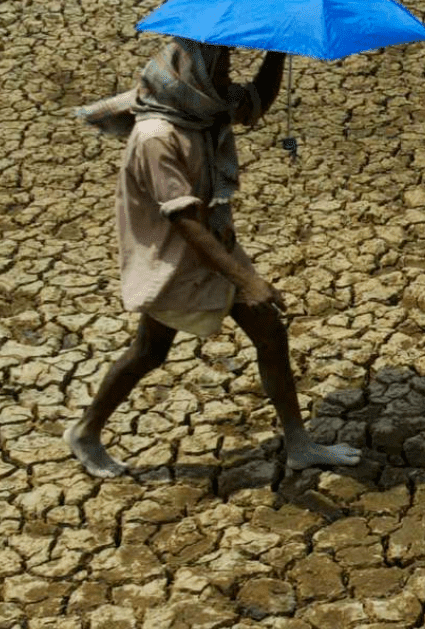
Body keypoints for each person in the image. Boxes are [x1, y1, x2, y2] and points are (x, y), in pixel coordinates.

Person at [67, 37, 361, 478]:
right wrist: (246, 280)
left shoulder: (201, 108)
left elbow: (256, 101)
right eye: (219, 69)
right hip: (176, 259)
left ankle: (299, 443)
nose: (226, 77)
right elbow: (183, 222)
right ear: (194, 75)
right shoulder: (156, 136)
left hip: (214, 246)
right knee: (150, 351)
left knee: (269, 332)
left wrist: (277, 49)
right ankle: (86, 431)